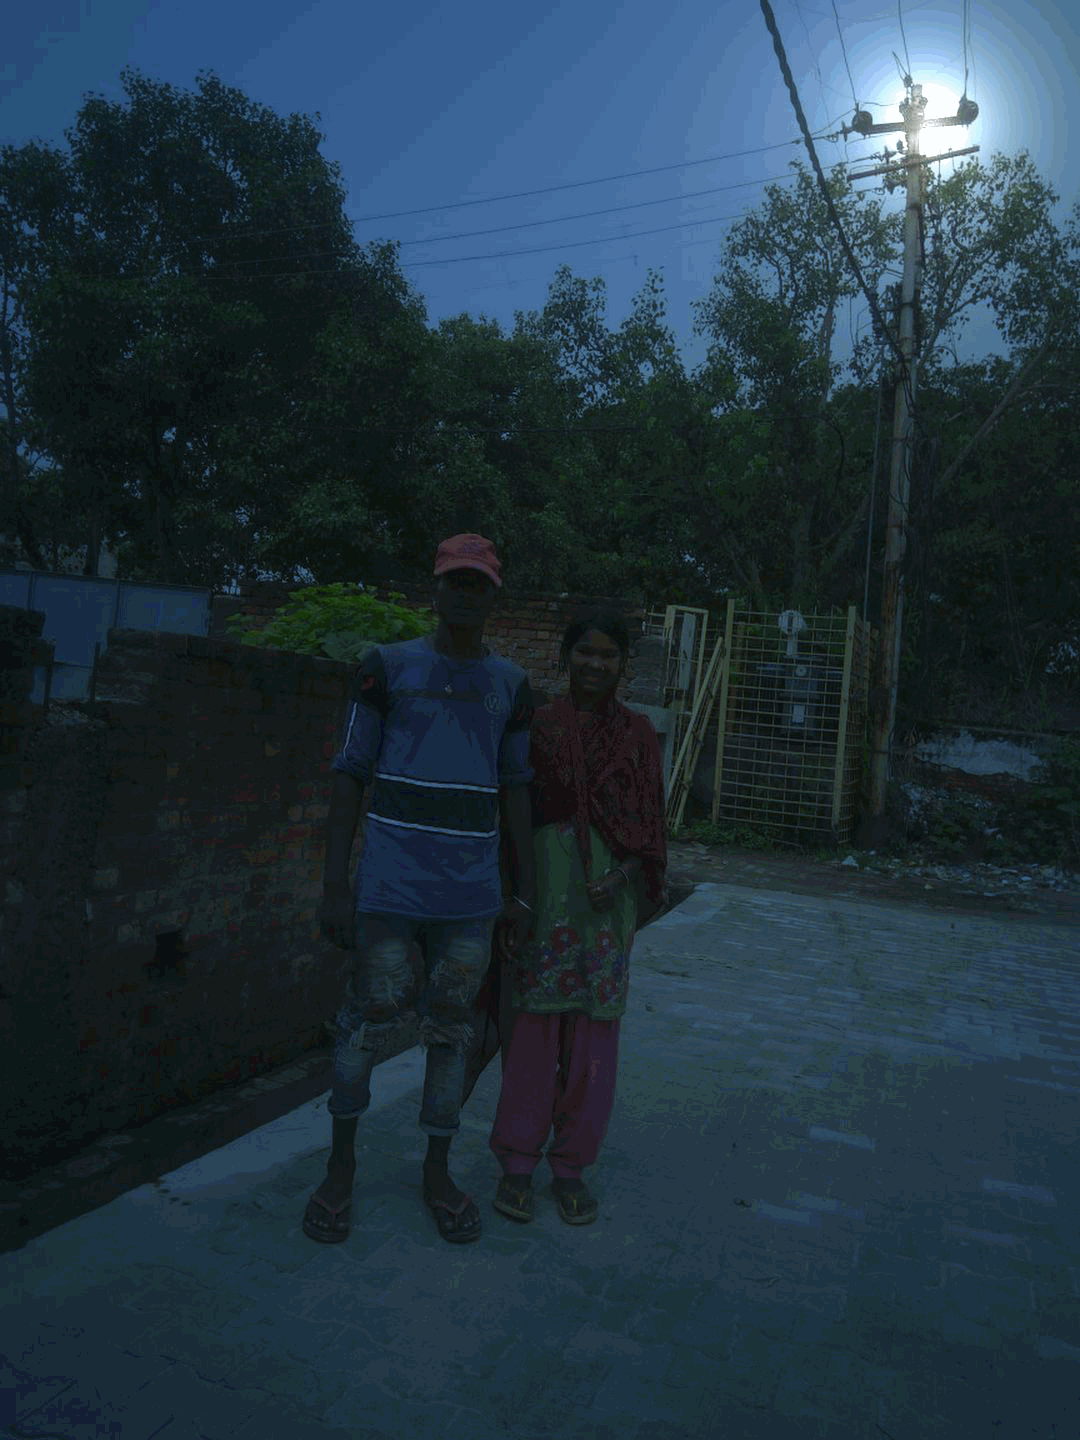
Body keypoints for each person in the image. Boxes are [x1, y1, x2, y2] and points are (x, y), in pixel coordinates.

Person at [303, 534, 536, 1245]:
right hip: (389, 888)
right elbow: (351, 774)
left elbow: (516, 789)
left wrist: (524, 893)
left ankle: (437, 1173)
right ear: (433, 588)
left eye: (478, 583)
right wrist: (335, 884)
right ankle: (340, 1167)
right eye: (454, 581)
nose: (465, 594)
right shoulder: (386, 667)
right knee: (365, 1023)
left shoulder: (511, 684)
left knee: (452, 1030)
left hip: (470, 896)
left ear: (494, 596)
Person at [487, 608, 667, 1225]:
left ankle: (570, 1167)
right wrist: (517, 898)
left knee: (593, 1041)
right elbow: (512, 816)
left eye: (608, 655)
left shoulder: (637, 735)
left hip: (605, 907)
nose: (595, 664)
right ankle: (517, 1162)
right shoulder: (539, 726)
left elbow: (650, 827)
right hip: (544, 899)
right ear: (566, 657)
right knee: (534, 1034)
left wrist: (619, 877)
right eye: (585, 652)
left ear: (623, 664)